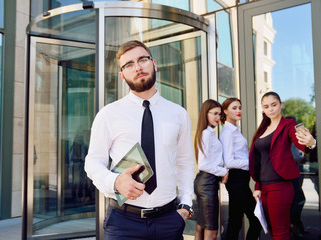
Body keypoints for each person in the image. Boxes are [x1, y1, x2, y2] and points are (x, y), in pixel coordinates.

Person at [84, 40, 195, 240]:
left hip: (169, 220)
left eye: (142, 59)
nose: (137, 67)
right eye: (128, 65)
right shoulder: (108, 114)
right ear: (122, 75)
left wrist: (186, 206)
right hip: (123, 222)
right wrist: (115, 181)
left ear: (154, 64)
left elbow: (185, 163)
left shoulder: (178, 114)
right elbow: (92, 162)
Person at [249, 91, 316, 240]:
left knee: (280, 233)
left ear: (281, 105)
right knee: (273, 231)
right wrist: (258, 187)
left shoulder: (289, 126)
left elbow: (302, 144)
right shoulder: (263, 129)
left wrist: (311, 143)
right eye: (266, 106)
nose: (270, 109)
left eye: (274, 105)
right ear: (263, 109)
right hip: (264, 189)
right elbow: (260, 162)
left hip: (280, 187)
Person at [219, 98, 262, 240]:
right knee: (255, 220)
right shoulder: (228, 133)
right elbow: (229, 162)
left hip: (241, 179)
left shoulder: (236, 130)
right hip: (236, 179)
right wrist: (250, 163)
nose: (238, 111)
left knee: (235, 222)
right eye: (234, 108)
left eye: (239, 107)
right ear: (225, 111)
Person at [194, 99, 229, 240]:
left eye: (219, 114)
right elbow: (203, 164)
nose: (217, 117)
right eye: (214, 113)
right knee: (212, 231)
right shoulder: (206, 134)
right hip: (207, 183)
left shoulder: (207, 133)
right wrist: (224, 172)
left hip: (206, 182)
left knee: (201, 227)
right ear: (205, 113)